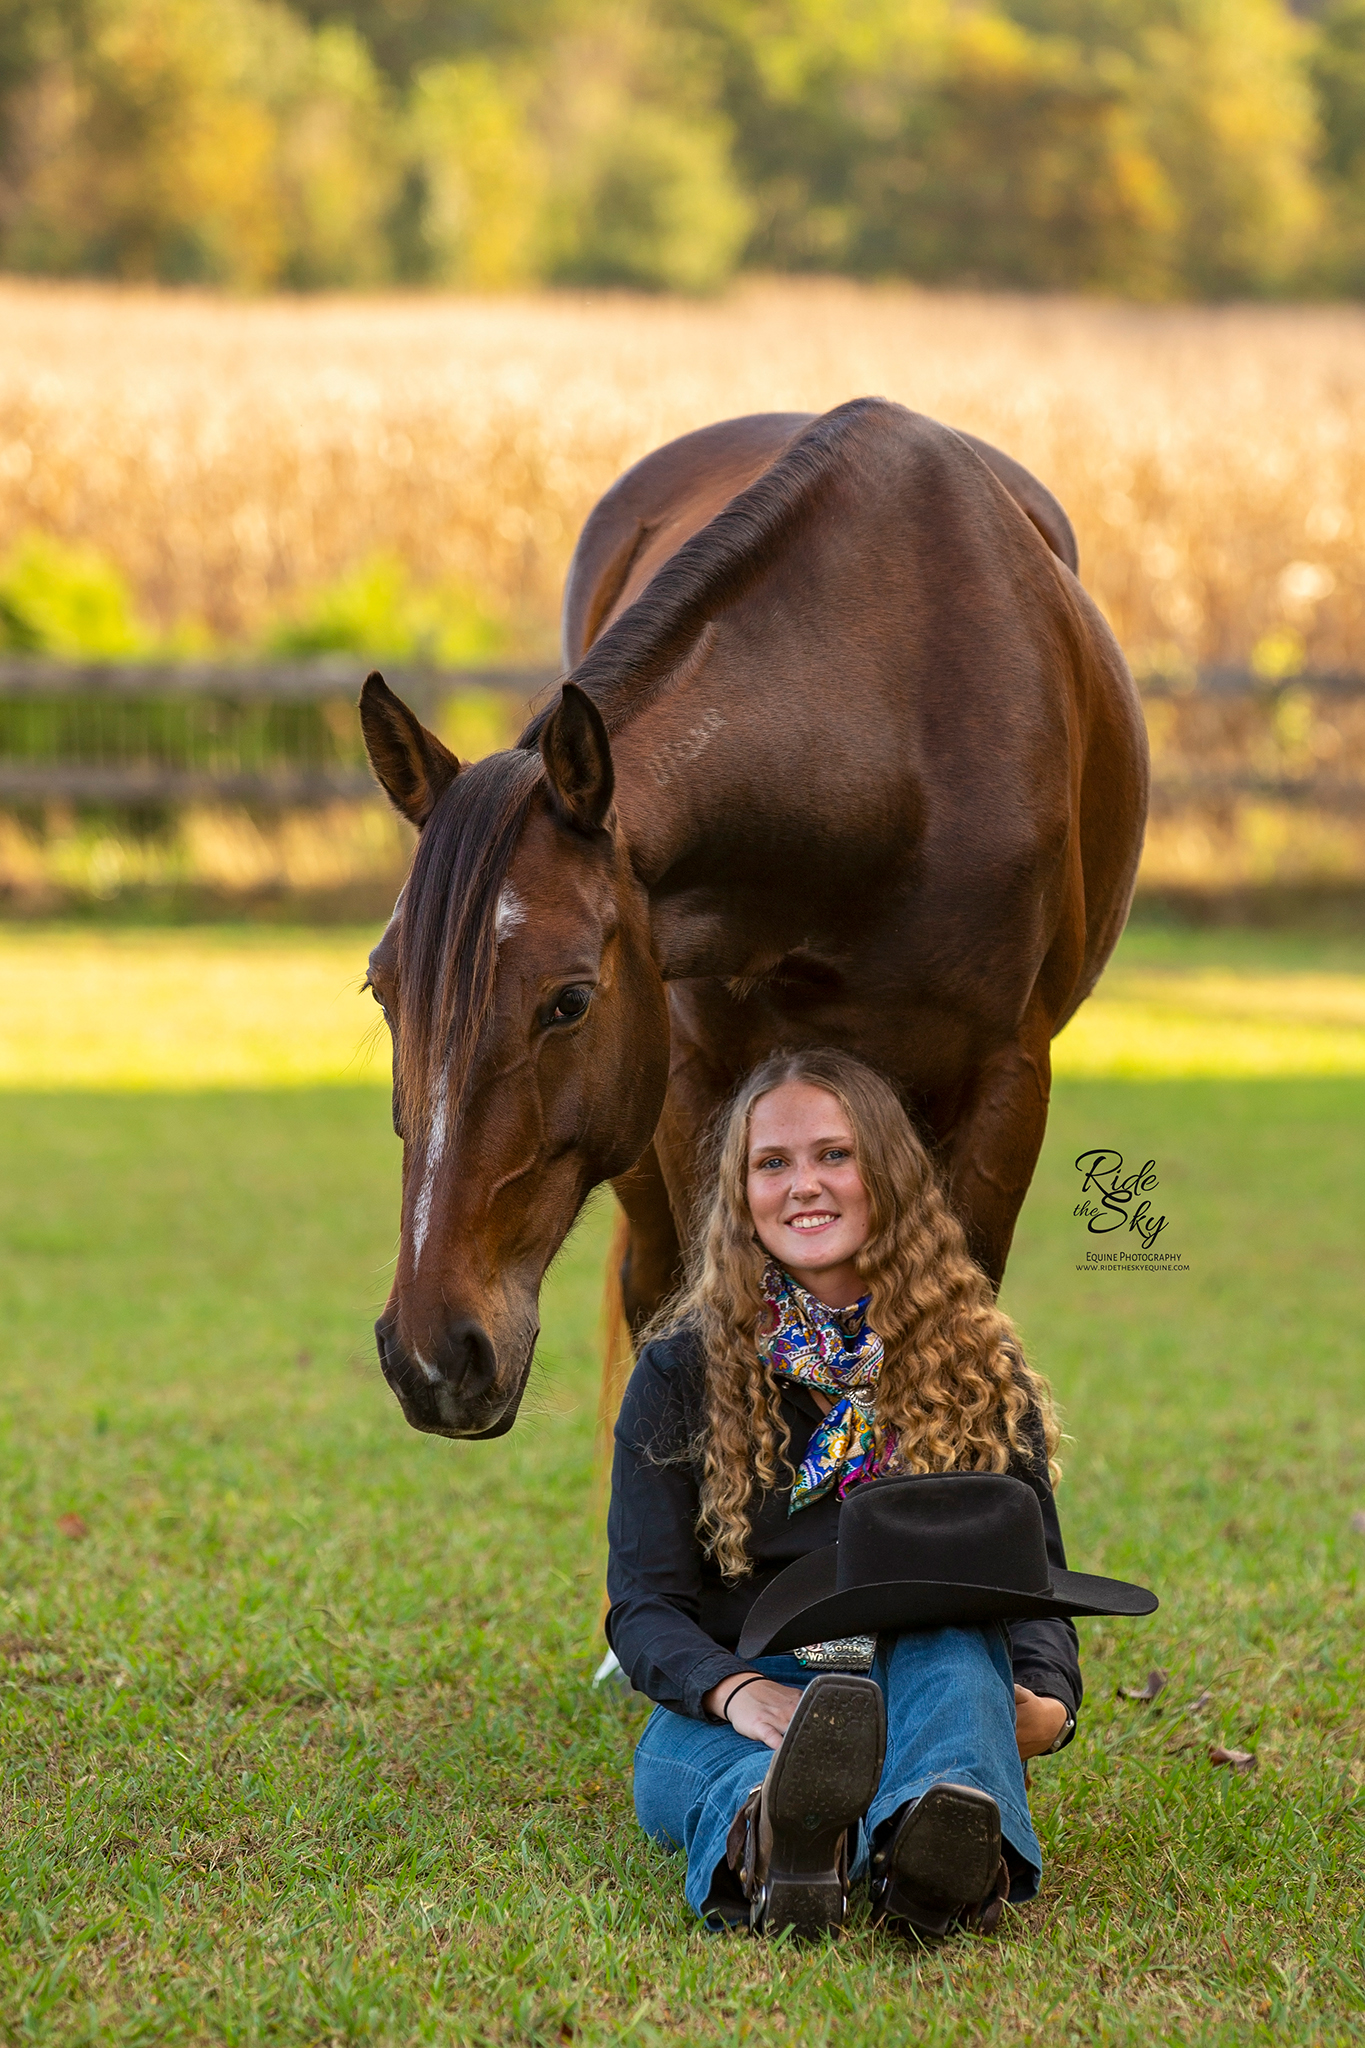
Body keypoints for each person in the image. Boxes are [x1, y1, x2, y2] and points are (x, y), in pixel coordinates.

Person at [606, 1047, 1126, 1942]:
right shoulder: (679, 1370)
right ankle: (779, 1838)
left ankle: (939, 1854)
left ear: (884, 1172)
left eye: (832, 1155)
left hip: (927, 1683)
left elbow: (1034, 1580)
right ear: (741, 1197)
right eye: (771, 1164)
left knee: (958, 1654)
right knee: (681, 1762)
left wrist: (1046, 1698)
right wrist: (731, 1691)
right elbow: (643, 1606)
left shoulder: (973, 1364)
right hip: (762, 1691)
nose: (801, 1185)